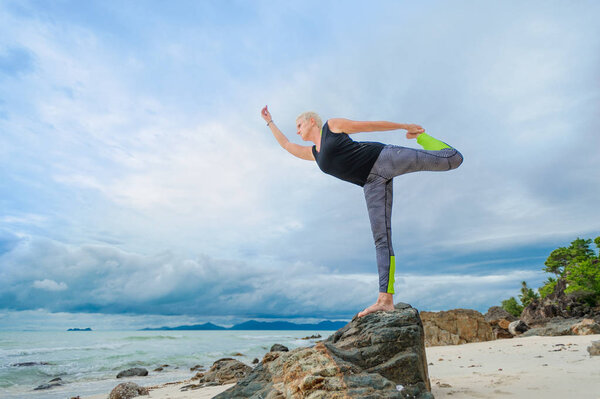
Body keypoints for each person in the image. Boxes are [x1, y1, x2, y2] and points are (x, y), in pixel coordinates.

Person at [260, 105, 463, 317]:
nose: (297, 130)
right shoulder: (314, 154)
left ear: (312, 121)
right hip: (371, 184)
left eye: (299, 125)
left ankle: (423, 139)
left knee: (452, 159)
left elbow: (369, 126)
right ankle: (385, 299)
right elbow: (286, 144)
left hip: (383, 157)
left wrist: (405, 127)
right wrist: (269, 122)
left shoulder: (332, 126)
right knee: (381, 240)